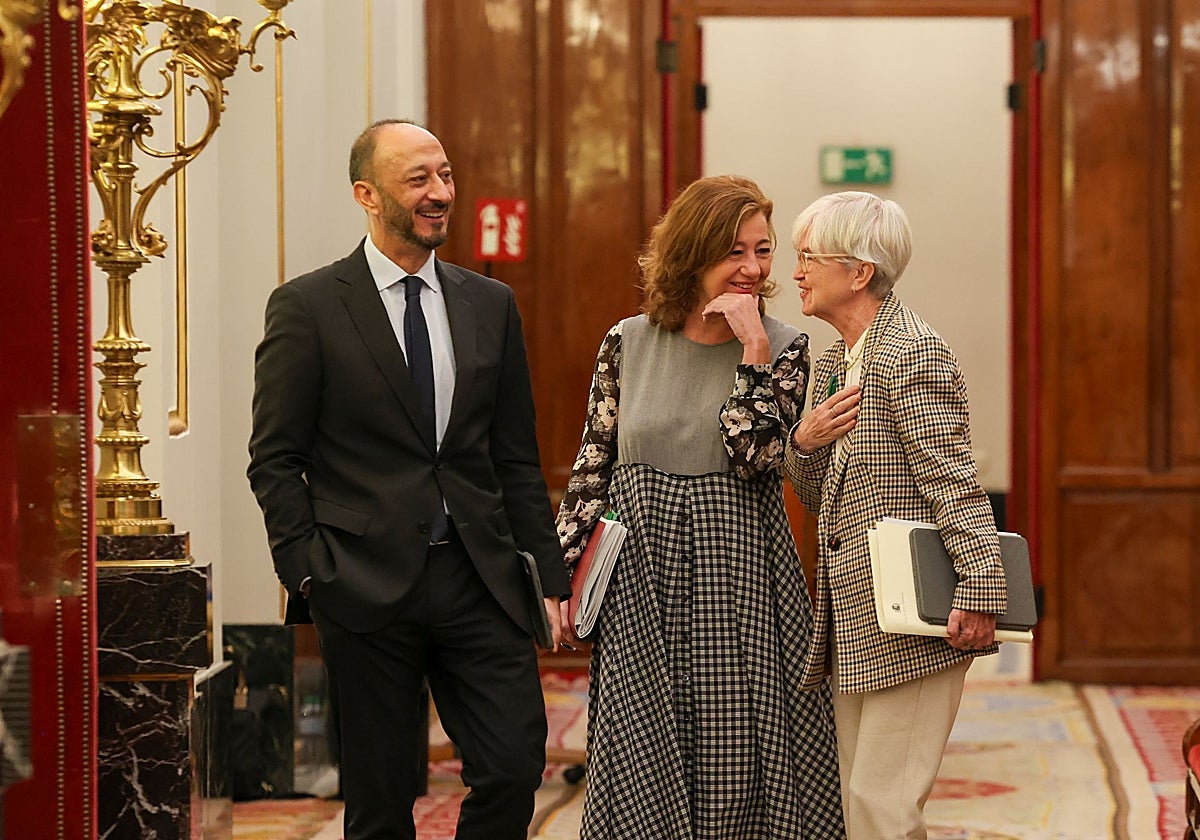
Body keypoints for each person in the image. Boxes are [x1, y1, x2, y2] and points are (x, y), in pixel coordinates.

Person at [247, 119, 568, 840]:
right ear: (367, 194)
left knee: (515, 765)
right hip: (361, 585)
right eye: (417, 179)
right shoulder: (309, 307)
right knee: (381, 802)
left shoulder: (491, 304)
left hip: (479, 579)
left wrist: (548, 574)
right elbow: (274, 457)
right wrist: (307, 572)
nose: (440, 193)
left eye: (445, 175)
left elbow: (515, 456)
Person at [555, 174, 845, 838]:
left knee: (734, 748)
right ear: (693, 251)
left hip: (737, 569)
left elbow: (757, 460)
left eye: (763, 250)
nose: (752, 268)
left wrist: (753, 354)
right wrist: (559, 574)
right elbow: (592, 464)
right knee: (639, 748)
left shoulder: (786, 347)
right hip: (640, 576)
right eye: (734, 251)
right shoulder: (626, 340)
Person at [783, 190, 1008, 839]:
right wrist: (805, 441)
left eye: (809, 257)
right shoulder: (836, 361)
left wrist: (981, 587)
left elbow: (953, 479)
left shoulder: (910, 351)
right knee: (860, 800)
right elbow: (812, 490)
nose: (796, 272)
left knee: (883, 802)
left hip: (916, 619)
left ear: (858, 272)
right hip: (858, 614)